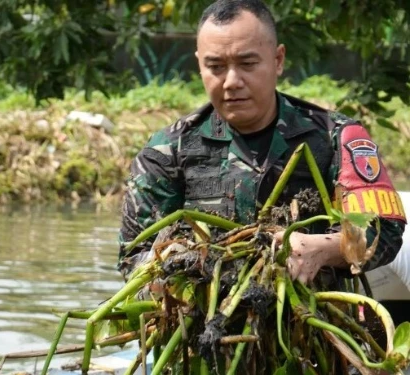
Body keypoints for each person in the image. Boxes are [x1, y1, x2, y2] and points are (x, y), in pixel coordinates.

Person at [117, 0, 407, 285]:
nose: (231, 81)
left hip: (315, 320)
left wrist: (328, 248)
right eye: (215, 66)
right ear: (200, 65)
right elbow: (133, 257)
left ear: (278, 60)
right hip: (205, 320)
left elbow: (386, 229)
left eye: (247, 63)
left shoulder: (336, 138)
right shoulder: (167, 151)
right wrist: (195, 261)